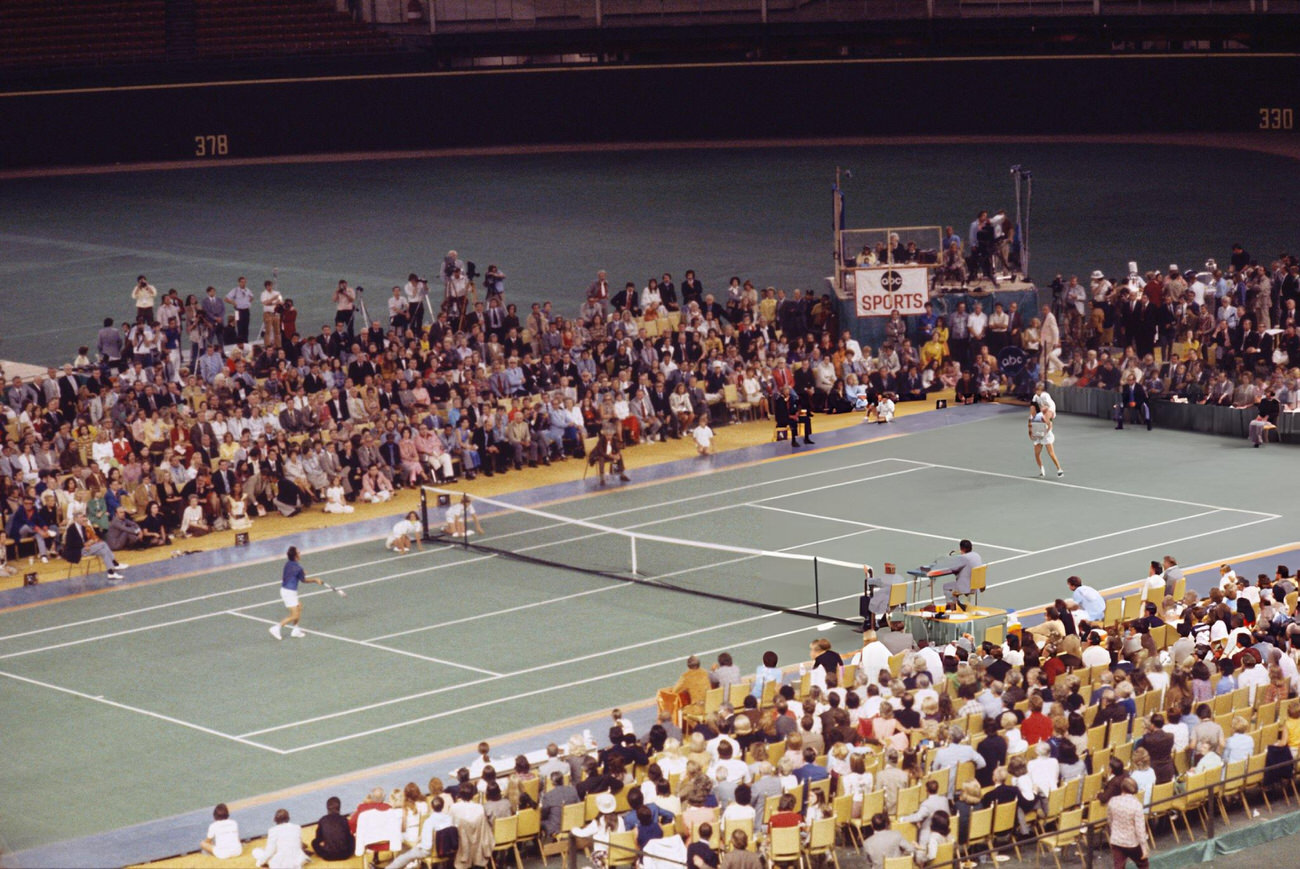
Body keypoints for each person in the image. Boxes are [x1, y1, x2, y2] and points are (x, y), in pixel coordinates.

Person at [271, 545, 322, 640]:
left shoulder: (288, 564)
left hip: (287, 590)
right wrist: (315, 580)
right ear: (295, 556)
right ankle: (276, 628)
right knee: (294, 615)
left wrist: (301, 573)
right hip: (289, 592)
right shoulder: (298, 568)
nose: (300, 553)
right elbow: (304, 580)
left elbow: (292, 574)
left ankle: (295, 630)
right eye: (298, 552)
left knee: (299, 606)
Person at [63, 512, 127, 581]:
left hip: (85, 548)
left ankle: (111, 573)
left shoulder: (82, 527)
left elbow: (85, 540)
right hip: (76, 551)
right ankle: (115, 563)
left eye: (83, 517)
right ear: (75, 519)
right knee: (103, 544)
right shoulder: (71, 529)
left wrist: (90, 542)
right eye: (81, 517)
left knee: (103, 551)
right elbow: (71, 543)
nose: (83, 519)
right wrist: (84, 545)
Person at [1106, 778, 1150, 869]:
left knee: (1118, 866)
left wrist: (1114, 832)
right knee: (1143, 864)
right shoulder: (1137, 805)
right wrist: (1144, 846)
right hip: (1132, 842)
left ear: (1122, 788)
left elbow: (1110, 820)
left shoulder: (1112, 801)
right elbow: (1140, 829)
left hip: (1116, 840)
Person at [310, 796, 355, 861]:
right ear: (339, 808)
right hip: (345, 854)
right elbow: (348, 837)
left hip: (328, 855)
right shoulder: (344, 819)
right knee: (352, 837)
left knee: (314, 842)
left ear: (327, 808)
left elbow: (318, 839)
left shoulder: (323, 820)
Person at [942, 539, 983, 610]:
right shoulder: (977, 555)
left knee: (947, 587)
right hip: (977, 586)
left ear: (962, 548)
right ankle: (958, 603)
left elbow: (953, 569)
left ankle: (952, 608)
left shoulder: (963, 558)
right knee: (957, 584)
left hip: (966, 587)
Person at [1028, 404, 1064, 478]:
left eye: (1032, 409)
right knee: (1037, 454)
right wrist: (1031, 434)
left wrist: (1045, 433)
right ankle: (1042, 471)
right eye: (1030, 409)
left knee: (1051, 453)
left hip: (1046, 436)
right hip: (1038, 436)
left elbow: (1050, 425)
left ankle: (1059, 470)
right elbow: (1029, 426)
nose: (1031, 410)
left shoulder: (1044, 416)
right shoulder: (1031, 417)